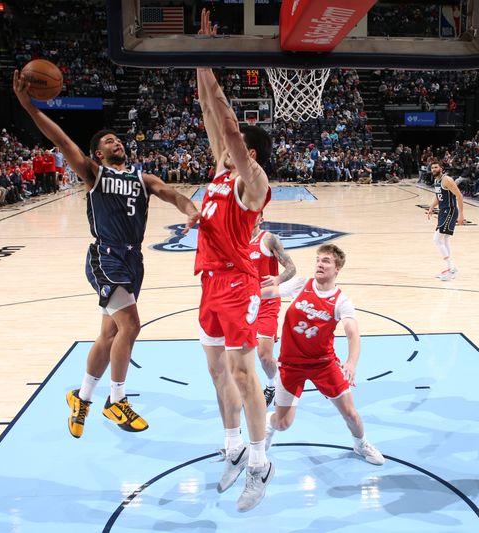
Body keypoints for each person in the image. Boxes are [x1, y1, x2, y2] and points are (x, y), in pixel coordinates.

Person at [12, 70, 200, 439]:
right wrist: (30, 108)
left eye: (118, 139)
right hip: (106, 256)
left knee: (110, 333)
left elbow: (173, 194)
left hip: (133, 259)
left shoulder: (142, 178)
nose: (117, 142)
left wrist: (189, 209)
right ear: (98, 152)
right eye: (109, 141)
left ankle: (81, 397)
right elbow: (62, 140)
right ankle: (117, 399)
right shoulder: (93, 173)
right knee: (131, 325)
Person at [194, 9, 274, 512]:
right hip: (207, 283)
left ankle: (262, 461)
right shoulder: (219, 172)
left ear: (245, 152)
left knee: (243, 374)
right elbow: (208, 111)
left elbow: (225, 121)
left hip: (239, 286)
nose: (219, 144)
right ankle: (233, 445)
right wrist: (201, 60)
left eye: (229, 145)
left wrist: (217, 73)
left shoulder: (253, 183)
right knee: (216, 371)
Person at [262, 244, 384, 466]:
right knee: (283, 423)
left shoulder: (341, 300)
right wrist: (239, 294)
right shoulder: (301, 285)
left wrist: (351, 362)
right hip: (291, 365)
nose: (320, 263)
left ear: (337, 268)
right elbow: (268, 293)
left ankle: (361, 444)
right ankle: (268, 426)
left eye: (326, 261)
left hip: (323, 364)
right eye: (318, 259)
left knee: (351, 414)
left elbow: (352, 333)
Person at [249, 212, 296, 407]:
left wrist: (278, 279)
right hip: (244, 303)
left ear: (261, 219)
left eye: (253, 215)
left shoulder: (268, 239)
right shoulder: (234, 240)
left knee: (264, 355)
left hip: (267, 303)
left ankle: (272, 385)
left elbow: (291, 268)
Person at [426, 160, 464, 281]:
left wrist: (461, 214)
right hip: (443, 211)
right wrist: (431, 208)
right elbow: (439, 196)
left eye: (436, 167)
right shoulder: (436, 181)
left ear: (441, 168)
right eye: (432, 168)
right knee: (445, 239)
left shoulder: (447, 180)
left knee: (436, 239)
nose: (434, 169)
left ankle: (452, 268)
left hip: (450, 211)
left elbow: (459, 195)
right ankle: (451, 269)